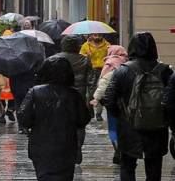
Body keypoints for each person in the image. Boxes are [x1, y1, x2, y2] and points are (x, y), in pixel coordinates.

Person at [103, 32, 172, 181]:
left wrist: (121, 116)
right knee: (154, 172)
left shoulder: (123, 70)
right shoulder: (164, 71)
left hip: (129, 127)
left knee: (127, 166)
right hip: (156, 128)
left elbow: (109, 99)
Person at [18, 57, 92, 181]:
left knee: (45, 177)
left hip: (40, 142)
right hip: (65, 142)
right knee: (60, 178)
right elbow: (83, 119)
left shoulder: (35, 92)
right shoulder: (74, 94)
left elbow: (23, 116)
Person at [50, 34, 93, 164]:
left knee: (60, 123)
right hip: (79, 97)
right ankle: (77, 146)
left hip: (58, 97)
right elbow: (90, 80)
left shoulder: (53, 59)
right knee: (79, 124)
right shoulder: (85, 60)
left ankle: (64, 149)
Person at [91, 45, 129, 164]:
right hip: (125, 101)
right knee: (124, 126)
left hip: (111, 101)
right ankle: (124, 148)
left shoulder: (110, 63)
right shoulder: (127, 64)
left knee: (113, 127)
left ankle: (117, 148)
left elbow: (104, 82)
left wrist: (96, 98)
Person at [80, 33, 111, 121]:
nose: (97, 37)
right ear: (92, 36)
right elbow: (81, 57)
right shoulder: (86, 46)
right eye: (95, 35)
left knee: (101, 92)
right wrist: (87, 56)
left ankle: (98, 113)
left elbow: (110, 56)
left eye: (99, 35)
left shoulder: (107, 45)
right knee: (90, 93)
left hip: (104, 70)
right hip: (91, 70)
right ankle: (90, 113)